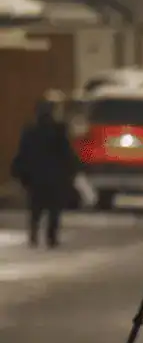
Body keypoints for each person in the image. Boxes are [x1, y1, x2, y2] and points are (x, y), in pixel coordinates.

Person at [10, 97, 80, 248]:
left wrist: (19, 172)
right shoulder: (58, 131)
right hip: (54, 176)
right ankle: (51, 237)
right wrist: (72, 170)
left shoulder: (30, 131)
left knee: (35, 208)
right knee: (54, 209)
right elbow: (66, 153)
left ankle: (34, 234)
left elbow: (23, 153)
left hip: (36, 176)